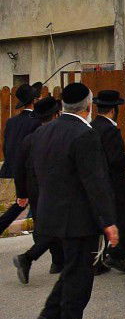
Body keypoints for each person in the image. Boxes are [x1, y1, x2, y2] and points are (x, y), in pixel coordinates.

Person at [28, 82, 118, 319]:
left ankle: (49, 318)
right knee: (80, 278)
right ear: (88, 107)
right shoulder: (85, 135)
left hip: (51, 215)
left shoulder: (44, 131)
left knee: (72, 270)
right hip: (78, 219)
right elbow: (95, 182)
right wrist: (108, 221)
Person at [12, 96, 64, 283]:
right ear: (56, 114)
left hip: (34, 189)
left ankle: (57, 261)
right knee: (58, 225)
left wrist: (22, 193)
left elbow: (19, 168)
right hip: (54, 188)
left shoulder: (29, 139)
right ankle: (27, 258)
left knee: (44, 224)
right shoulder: (58, 137)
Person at [90, 90, 125, 274]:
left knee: (104, 219)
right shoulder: (109, 130)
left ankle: (99, 260)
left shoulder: (92, 126)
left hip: (99, 180)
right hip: (115, 181)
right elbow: (115, 159)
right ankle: (117, 254)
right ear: (113, 110)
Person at [1, 84, 41, 234]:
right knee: (28, 201)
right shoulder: (37, 121)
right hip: (28, 170)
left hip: (10, 168)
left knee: (20, 203)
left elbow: (6, 146)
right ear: (34, 101)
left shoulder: (11, 122)